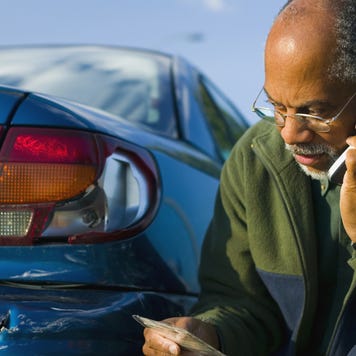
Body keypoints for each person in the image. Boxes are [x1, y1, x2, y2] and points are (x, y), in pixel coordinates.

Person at [142, 0, 356, 354]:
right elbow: (243, 302)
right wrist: (209, 333)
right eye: (277, 107)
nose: (289, 133)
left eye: (314, 113)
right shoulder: (255, 158)